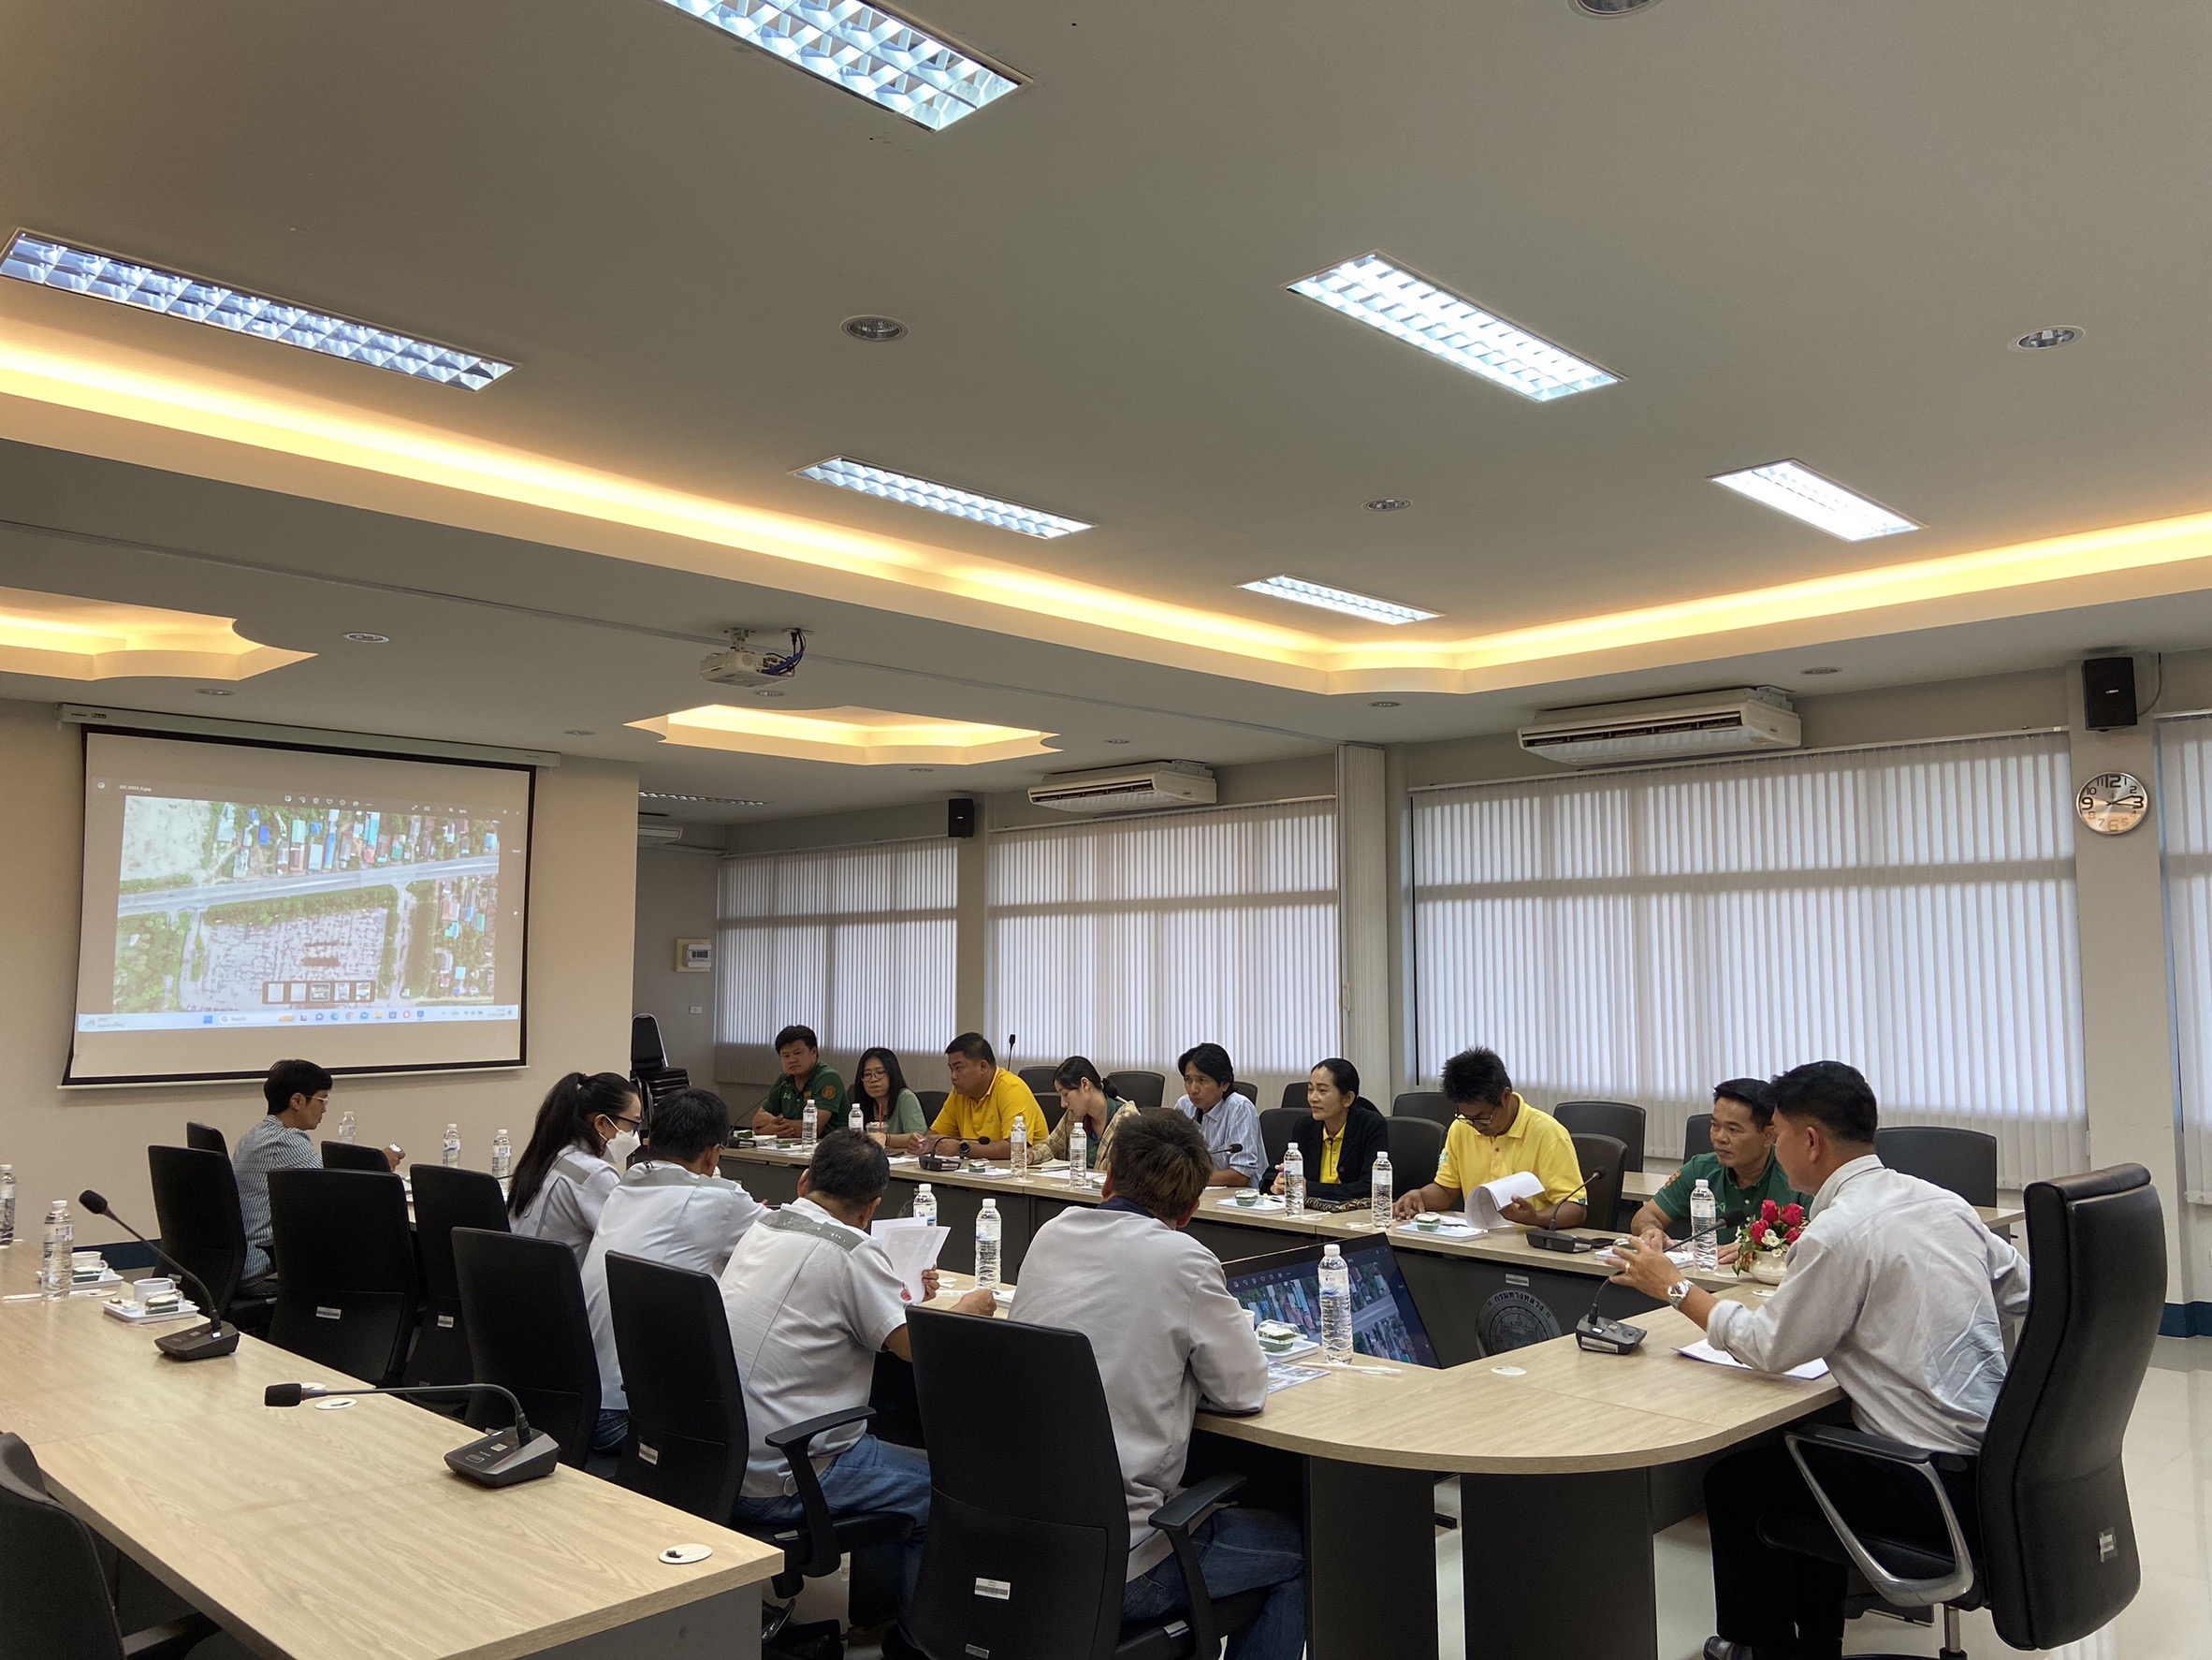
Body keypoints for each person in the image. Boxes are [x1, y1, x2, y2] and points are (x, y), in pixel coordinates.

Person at [1607, 1062, 2030, 1660]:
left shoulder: (1839, 1230)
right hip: (1994, 1463)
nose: (1775, 1147)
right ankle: (1819, 1641)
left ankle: (1759, 1650)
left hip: (1925, 1479)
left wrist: (1674, 1288)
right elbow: (2028, 1292)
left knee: (1736, 1483)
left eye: (1776, 1134)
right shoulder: (1941, 1201)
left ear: (1810, 1141)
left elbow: (1769, 1348)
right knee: (1808, 1454)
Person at [1011, 1109, 1303, 1660]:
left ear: (1107, 1180)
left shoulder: (1051, 1233)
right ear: (1190, 1211)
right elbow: (1243, 1393)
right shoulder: (1186, 1260)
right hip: (1124, 1562)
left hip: (1017, 1538)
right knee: (1302, 1551)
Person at [722, 1131, 995, 1616]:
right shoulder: (852, 1251)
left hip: (725, 1461)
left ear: (806, 1181)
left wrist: (904, 1295)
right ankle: (914, 1640)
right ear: (871, 1208)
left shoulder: (766, 1225)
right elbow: (913, 1348)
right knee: (952, 1493)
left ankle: (875, 1616)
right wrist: (970, 1307)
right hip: (789, 1473)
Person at [583, 1088, 764, 1452]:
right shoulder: (720, 1199)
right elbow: (783, 1242)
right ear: (713, 1153)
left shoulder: (626, 1185)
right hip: (626, 1417)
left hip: (583, 1401)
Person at [233, 1057, 400, 1284]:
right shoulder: (285, 1140)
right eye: (322, 1100)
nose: (324, 1109)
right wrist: (379, 1162)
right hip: (265, 1266)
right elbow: (334, 1185)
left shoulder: (254, 1135)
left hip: (246, 1260)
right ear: (297, 1101)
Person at [1391, 1047, 1584, 1226]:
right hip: (1477, 1240)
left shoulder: (1547, 1133)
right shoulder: (1461, 1128)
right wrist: (1420, 1197)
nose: (1476, 1127)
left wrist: (1536, 1218)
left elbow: (1575, 1208)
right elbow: (1445, 1190)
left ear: (1505, 1096)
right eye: (1468, 1118)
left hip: (1529, 1241)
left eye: (1483, 1118)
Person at [1628, 1078, 1809, 1250]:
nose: (1720, 1138)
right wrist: (1650, 1230)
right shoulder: (1700, 1169)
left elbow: (1815, 1242)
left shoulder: (1798, 1174)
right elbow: (1646, 1215)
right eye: (1715, 1125)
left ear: (1768, 1136)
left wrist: (1755, 1251)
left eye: (1733, 1129)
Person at [507, 1071, 642, 1264]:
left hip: (523, 1272)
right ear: (601, 1123)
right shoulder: (595, 1174)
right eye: (633, 1125)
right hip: (560, 1280)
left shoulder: (549, 1156)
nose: (634, 1135)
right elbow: (627, 1248)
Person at [1266, 1058, 1388, 1203]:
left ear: (1347, 1099)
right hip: (1310, 1212)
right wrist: (1277, 1185)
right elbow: (1270, 1175)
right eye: (1310, 1090)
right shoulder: (1305, 1126)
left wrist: (1308, 1188)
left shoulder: (1371, 1126)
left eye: (1322, 1091)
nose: (1313, 1098)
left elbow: (1370, 1187)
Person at [914, 1033, 1048, 1161]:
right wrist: (922, 1143)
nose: (953, 1076)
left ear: (983, 1067)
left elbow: (1015, 1147)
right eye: (951, 1069)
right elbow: (935, 1134)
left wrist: (961, 1149)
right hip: (977, 1172)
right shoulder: (959, 1093)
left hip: (1022, 1172)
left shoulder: (1012, 1089)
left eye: (959, 1068)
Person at [1171, 1043, 1261, 1190]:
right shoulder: (1184, 1105)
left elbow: (1241, 1176)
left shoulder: (1240, 1108)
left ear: (1224, 1084)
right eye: (1188, 1080)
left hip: (1239, 1197)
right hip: (1197, 1193)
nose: (1193, 1089)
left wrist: (1189, 1178)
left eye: (1202, 1080)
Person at [1038, 1056, 1141, 1175]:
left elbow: (1131, 1175)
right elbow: (1052, 1147)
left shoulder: (1127, 1120)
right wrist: (1032, 1155)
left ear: (1085, 1084)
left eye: (1065, 1094)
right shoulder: (1074, 1115)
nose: (1063, 1104)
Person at [751, 1025, 848, 1139]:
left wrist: (774, 1125)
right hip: (794, 1144)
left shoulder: (828, 1077)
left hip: (830, 1145)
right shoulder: (784, 1079)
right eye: (786, 1056)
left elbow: (813, 1129)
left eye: (797, 1053)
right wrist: (772, 1130)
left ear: (814, 1052)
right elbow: (757, 1122)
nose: (792, 1060)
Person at [854, 1046, 930, 1151]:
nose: (873, 1079)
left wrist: (886, 1139)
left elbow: (919, 1138)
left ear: (892, 1074)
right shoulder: (865, 1103)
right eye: (867, 1074)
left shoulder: (906, 1098)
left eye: (880, 1073)